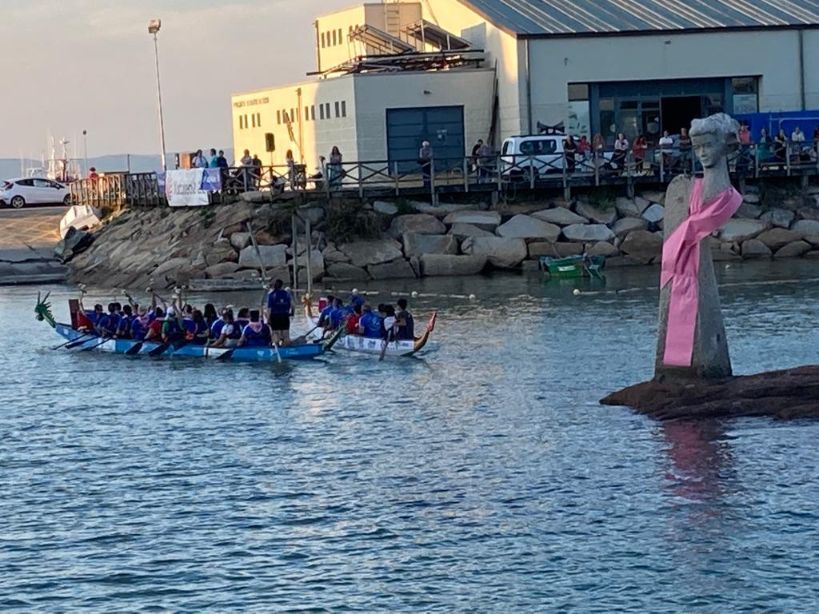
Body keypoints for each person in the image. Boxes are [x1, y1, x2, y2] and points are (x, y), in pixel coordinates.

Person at [266, 279, 292, 345]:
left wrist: (268, 319)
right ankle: (287, 348)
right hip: (285, 315)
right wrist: (291, 313)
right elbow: (292, 305)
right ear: (282, 285)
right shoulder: (286, 294)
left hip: (275, 316)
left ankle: (276, 346)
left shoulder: (271, 295)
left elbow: (269, 308)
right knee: (286, 334)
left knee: (275, 333)